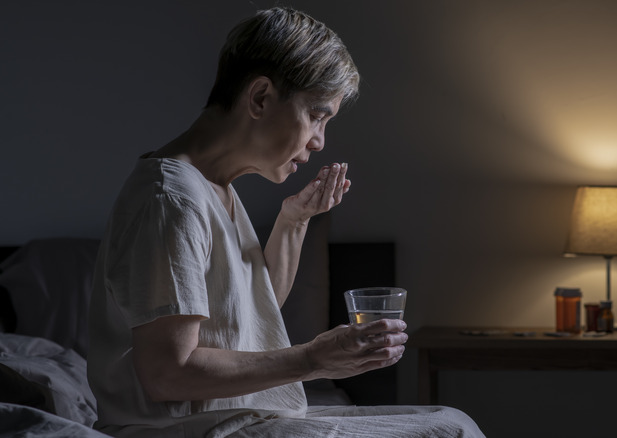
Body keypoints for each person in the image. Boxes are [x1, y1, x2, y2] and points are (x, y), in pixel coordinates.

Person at [87, 6, 484, 438]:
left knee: (447, 419)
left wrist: (294, 221)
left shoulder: (213, 187)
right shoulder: (170, 197)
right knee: (451, 432)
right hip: (191, 430)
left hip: (238, 418)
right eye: (316, 115)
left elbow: (251, 318)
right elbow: (168, 373)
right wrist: (313, 359)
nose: (319, 141)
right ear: (260, 97)